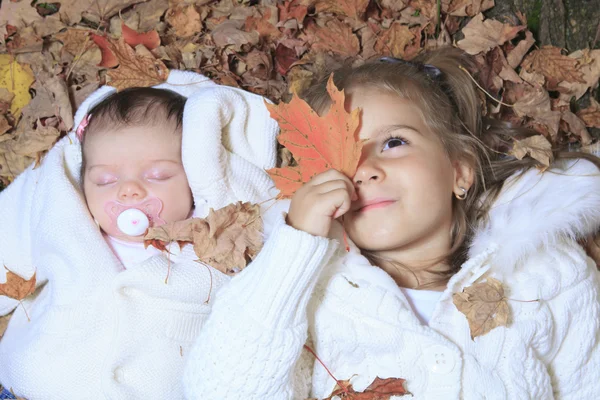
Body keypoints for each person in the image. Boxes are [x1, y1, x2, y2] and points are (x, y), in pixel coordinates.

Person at [183, 48, 600, 399]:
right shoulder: (310, 294)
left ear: (460, 172)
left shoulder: (545, 277)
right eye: (339, 157)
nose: (364, 170)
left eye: (394, 142)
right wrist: (295, 246)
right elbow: (220, 389)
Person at [0, 71, 280, 399]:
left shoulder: (216, 250)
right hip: (35, 386)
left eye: (157, 175)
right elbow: (10, 244)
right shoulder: (67, 227)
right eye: (105, 180)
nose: (130, 190)